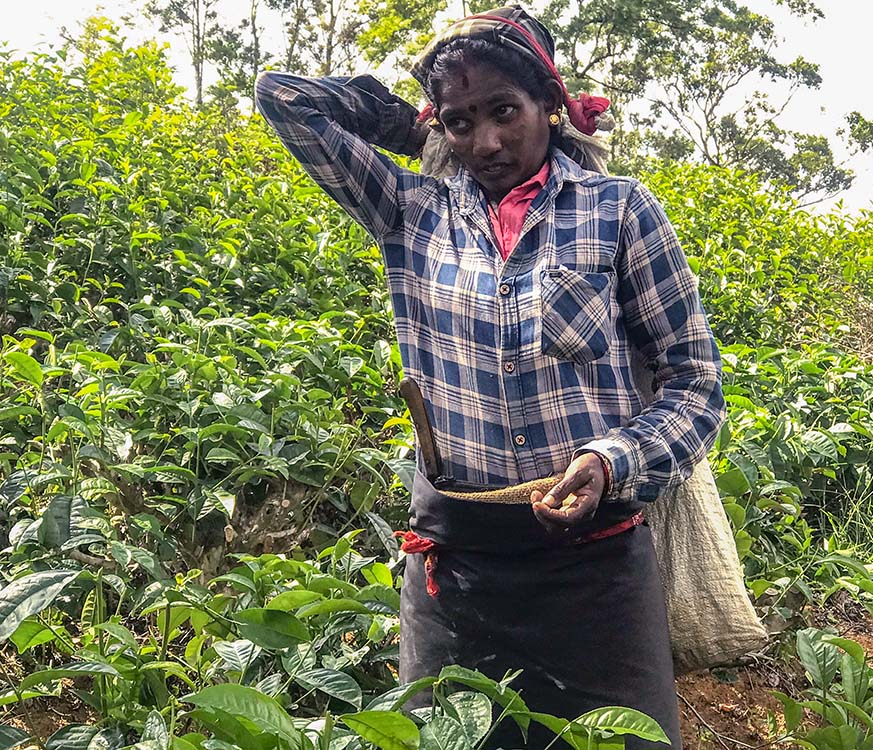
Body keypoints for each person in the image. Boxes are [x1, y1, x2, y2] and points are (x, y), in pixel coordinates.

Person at [255, 6, 725, 748]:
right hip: (459, 569)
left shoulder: (619, 210)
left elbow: (694, 381)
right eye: (461, 121)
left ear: (551, 104)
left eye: (505, 110)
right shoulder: (413, 210)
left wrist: (612, 461)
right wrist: (411, 128)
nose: (488, 141)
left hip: (593, 572)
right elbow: (284, 97)